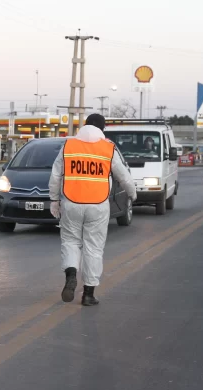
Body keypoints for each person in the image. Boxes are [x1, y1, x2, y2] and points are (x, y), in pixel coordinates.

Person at [48, 113, 136, 306]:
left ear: (84, 126)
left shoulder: (69, 146)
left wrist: (54, 200)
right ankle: (88, 294)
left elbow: (55, 176)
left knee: (71, 242)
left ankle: (71, 274)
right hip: (98, 205)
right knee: (93, 248)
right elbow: (123, 176)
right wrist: (132, 193)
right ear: (102, 129)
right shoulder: (108, 148)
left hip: (71, 202)